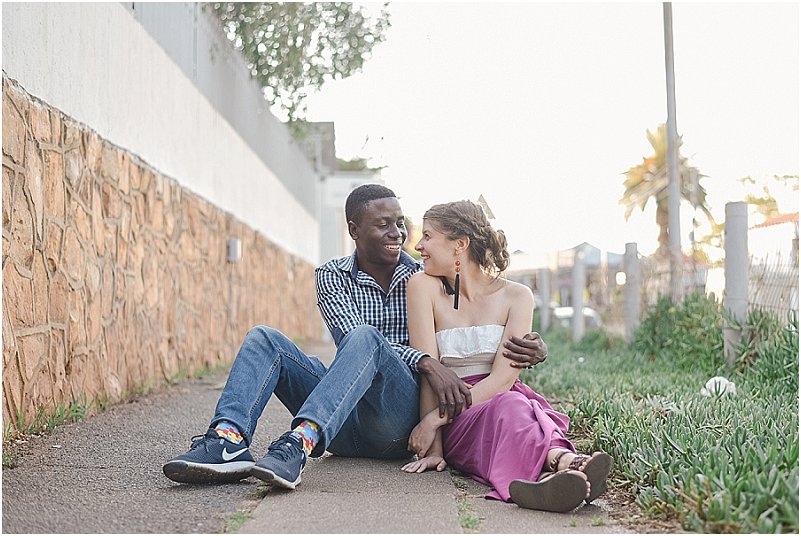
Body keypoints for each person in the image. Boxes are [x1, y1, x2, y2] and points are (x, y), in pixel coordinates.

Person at [162, 184, 549, 489]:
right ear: (353, 230)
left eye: (402, 223)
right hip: (342, 421)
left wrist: (531, 344)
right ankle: (228, 439)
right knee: (266, 339)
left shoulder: (429, 277)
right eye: (384, 224)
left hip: (398, 419)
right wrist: (426, 361)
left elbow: (477, 314)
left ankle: (298, 444)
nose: (398, 233)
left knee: (367, 338)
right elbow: (354, 339)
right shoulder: (332, 276)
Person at [400, 200, 612, 513]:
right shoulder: (422, 287)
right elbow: (429, 373)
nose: (419, 245)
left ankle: (554, 476)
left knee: (514, 404)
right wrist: (434, 446)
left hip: (502, 398)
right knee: (511, 407)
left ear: (460, 244)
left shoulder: (518, 296)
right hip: (458, 415)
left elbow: (502, 379)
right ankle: (567, 466)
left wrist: (432, 420)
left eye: (428, 236)